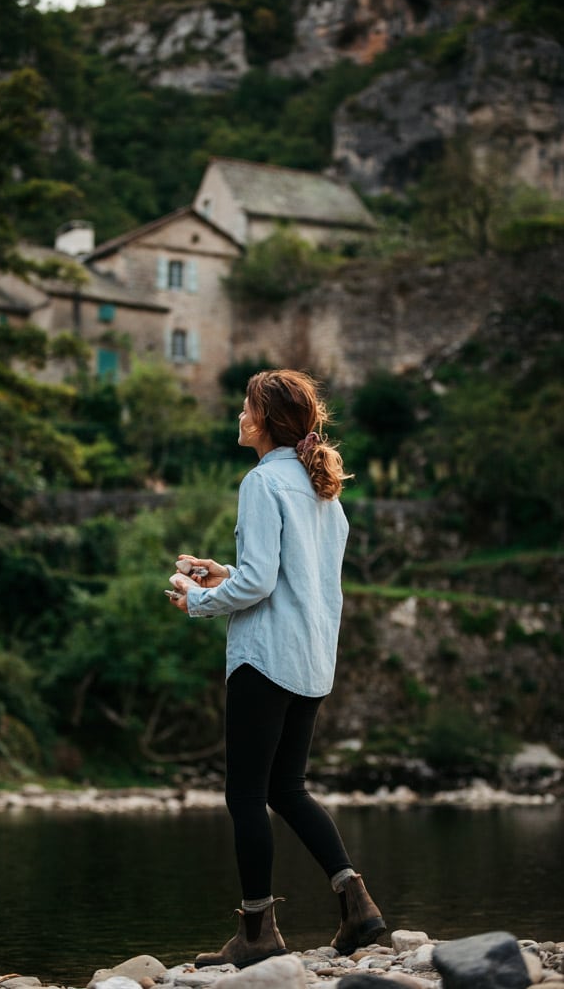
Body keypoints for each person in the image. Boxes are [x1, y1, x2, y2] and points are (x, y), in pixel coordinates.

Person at [168, 368, 385, 970]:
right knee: (287, 788)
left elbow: (262, 582)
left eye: (246, 408)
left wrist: (199, 600)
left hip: (264, 659)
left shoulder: (262, 482)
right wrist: (221, 572)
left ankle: (258, 932)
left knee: (246, 795)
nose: (239, 416)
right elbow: (287, 579)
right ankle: (357, 903)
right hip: (312, 658)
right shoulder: (323, 493)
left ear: (266, 421)